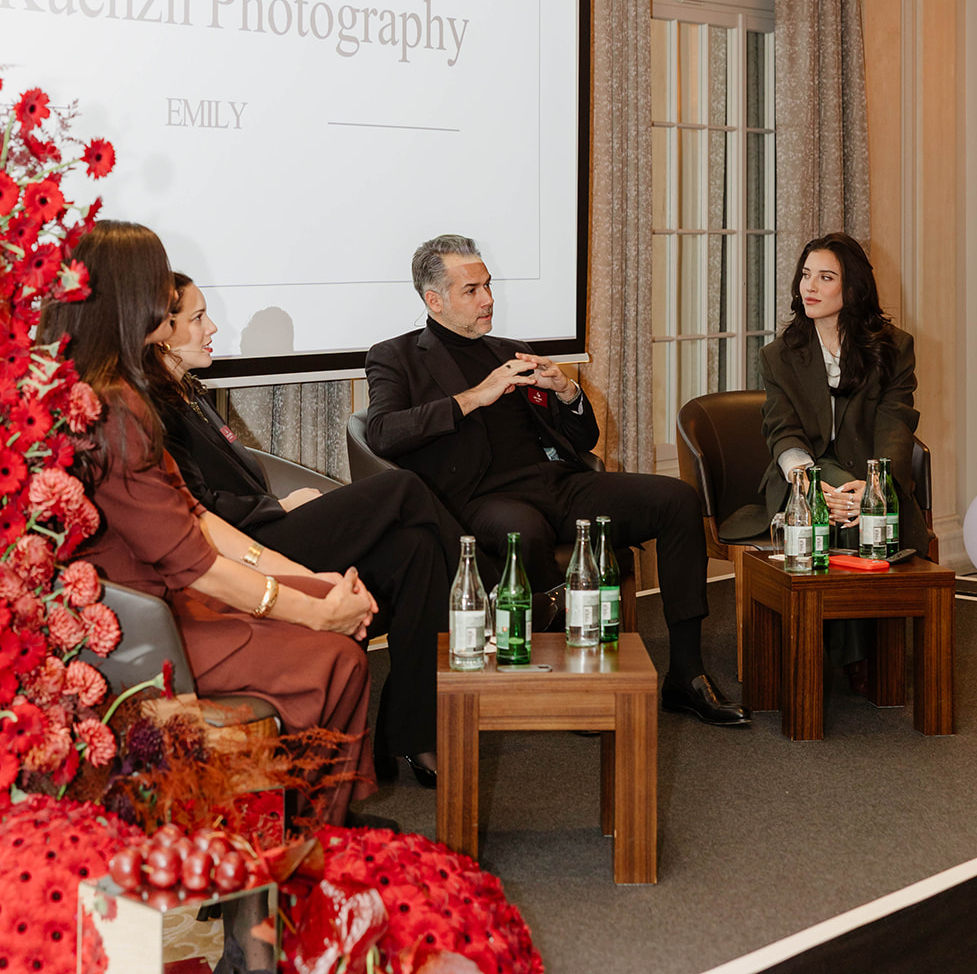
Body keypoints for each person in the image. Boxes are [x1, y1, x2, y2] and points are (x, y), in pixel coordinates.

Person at [40, 221, 376, 825]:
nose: (169, 314)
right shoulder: (112, 407)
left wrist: (309, 580)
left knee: (334, 626)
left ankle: (306, 823)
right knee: (338, 654)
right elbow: (190, 561)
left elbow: (197, 519)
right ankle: (299, 832)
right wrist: (317, 610)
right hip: (139, 629)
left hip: (164, 600)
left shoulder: (108, 389)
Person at [365, 233, 750, 728]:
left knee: (676, 499)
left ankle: (687, 674)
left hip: (558, 485)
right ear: (433, 299)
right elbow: (381, 432)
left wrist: (567, 391)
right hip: (480, 500)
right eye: (472, 291)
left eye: (488, 286)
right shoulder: (395, 356)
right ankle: (564, 677)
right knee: (521, 533)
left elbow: (582, 437)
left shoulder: (514, 350)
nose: (488, 300)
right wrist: (473, 397)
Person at [146, 273, 462, 789]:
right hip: (250, 549)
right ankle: (496, 592)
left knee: (417, 548)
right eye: (199, 318)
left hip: (269, 525)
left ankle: (408, 735)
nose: (213, 327)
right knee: (402, 488)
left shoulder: (189, 391)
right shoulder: (153, 408)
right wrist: (277, 505)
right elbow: (197, 508)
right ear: (161, 329)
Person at [758, 232, 929, 678]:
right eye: (805, 275)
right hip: (803, 477)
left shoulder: (894, 348)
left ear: (851, 289)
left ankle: (829, 656)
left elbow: (896, 423)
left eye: (825, 277)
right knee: (845, 517)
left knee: (860, 515)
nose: (809, 287)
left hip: (869, 474)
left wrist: (875, 487)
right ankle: (856, 661)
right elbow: (783, 430)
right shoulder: (779, 356)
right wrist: (811, 486)